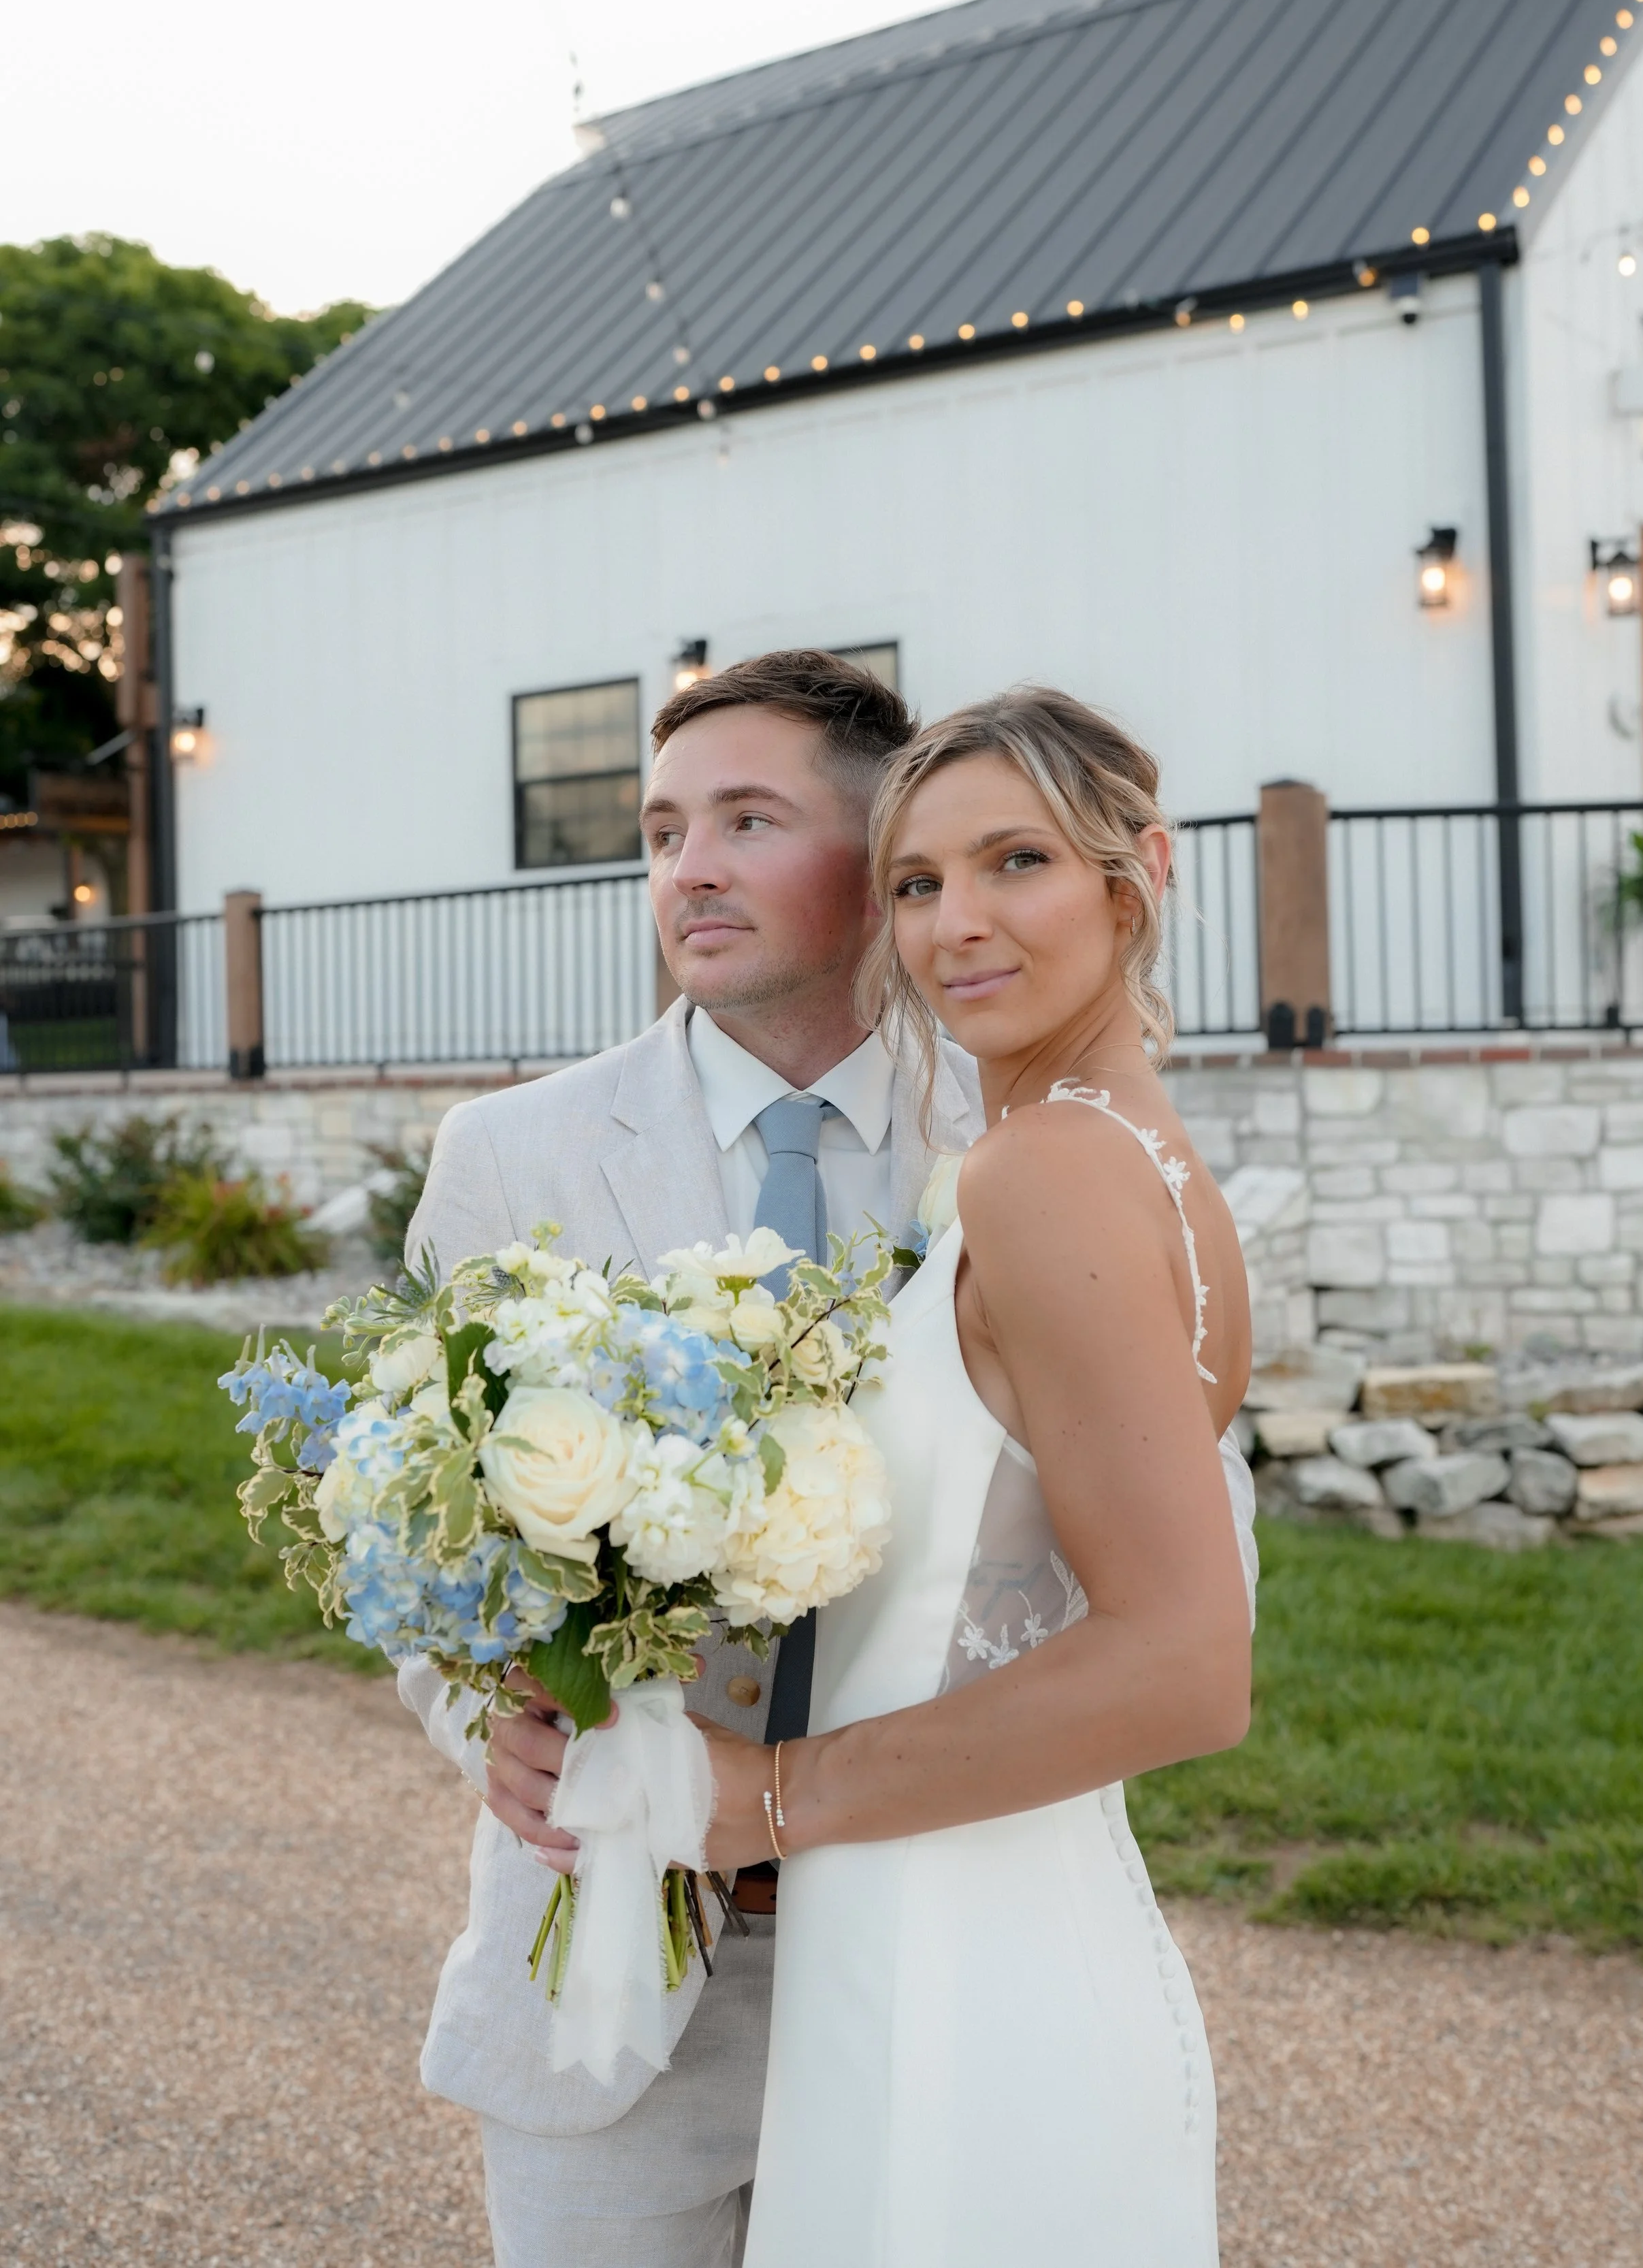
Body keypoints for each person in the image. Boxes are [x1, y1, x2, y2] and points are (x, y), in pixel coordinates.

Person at [399, 650, 985, 2268]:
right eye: (663, 832)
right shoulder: (512, 1155)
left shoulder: (1004, 1160)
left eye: (746, 819)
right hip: (613, 1948)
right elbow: (422, 1537)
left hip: (922, 1936)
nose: (690, 868)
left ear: (878, 868)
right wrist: (485, 1727)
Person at [695, 687, 1258, 2268]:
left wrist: (769, 1800)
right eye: (917, 883)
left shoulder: (1046, 1173)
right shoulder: (1140, 1157)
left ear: (1134, 874)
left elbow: (1184, 1664)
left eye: (1016, 861)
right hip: (1003, 1905)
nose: (957, 924)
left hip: (959, 1964)